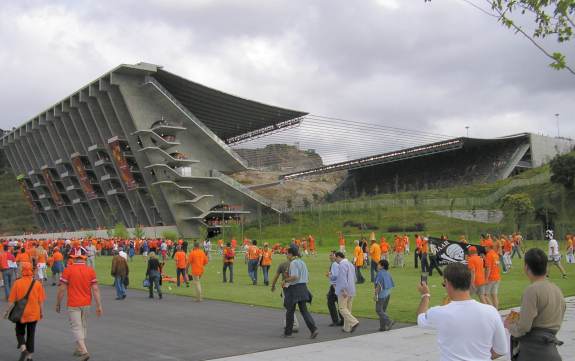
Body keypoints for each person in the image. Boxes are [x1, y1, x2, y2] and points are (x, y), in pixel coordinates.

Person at [417, 263, 508, 361]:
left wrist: (425, 295)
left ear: (447, 283)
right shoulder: (491, 312)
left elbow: (420, 318)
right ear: (470, 282)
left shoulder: (439, 313)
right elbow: (501, 350)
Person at [504, 248, 566, 361]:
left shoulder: (532, 290)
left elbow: (524, 327)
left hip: (534, 352)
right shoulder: (557, 289)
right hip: (551, 352)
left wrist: (510, 325)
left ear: (526, 267)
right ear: (546, 267)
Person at [56, 247, 103, 361]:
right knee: (83, 325)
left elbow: (62, 289)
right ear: (84, 258)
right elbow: (95, 289)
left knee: (76, 326)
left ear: (73, 258)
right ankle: (79, 348)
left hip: (73, 303)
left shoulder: (68, 270)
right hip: (86, 302)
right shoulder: (90, 270)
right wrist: (99, 305)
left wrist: (58, 303)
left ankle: (84, 351)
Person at [3, 262, 45, 361]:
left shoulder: (17, 283)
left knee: (19, 331)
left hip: (21, 313)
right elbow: (41, 301)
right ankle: (29, 357)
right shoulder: (37, 283)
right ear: (32, 271)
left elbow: (12, 301)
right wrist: (41, 312)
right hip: (34, 313)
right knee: (31, 334)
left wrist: (7, 311)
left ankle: (23, 348)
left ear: (22, 271)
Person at [282, 247, 318, 339]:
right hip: (303, 287)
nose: (286, 255)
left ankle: (288, 332)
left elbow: (295, 277)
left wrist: (285, 280)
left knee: (290, 310)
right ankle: (313, 329)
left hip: (294, 288)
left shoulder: (293, 263)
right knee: (304, 310)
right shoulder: (302, 262)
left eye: (287, 254)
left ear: (290, 254)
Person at [331, 252, 359, 333]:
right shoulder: (350, 264)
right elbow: (354, 278)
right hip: (351, 289)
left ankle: (354, 322)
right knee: (348, 309)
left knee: (342, 308)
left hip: (344, 290)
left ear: (339, 257)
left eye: (335, 258)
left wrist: (343, 290)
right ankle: (347, 328)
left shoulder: (342, 265)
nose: (335, 260)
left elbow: (342, 278)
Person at [271, 256, 300, 332]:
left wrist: (273, 286)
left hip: (286, 287)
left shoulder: (282, 264)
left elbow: (276, 276)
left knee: (288, 306)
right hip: (297, 287)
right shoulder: (298, 264)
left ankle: (293, 324)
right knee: (292, 306)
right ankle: (290, 324)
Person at [374, 259, 394, 331]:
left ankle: (389, 322)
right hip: (388, 294)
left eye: (378, 264)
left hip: (381, 295)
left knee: (378, 310)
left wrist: (376, 295)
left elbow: (379, 285)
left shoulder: (379, 274)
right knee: (383, 311)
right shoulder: (387, 273)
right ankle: (382, 327)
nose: (377, 265)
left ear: (382, 266)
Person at [326, 251, 343, 327]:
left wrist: (329, 275)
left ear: (335, 256)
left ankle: (336, 320)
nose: (330, 257)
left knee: (331, 302)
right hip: (337, 286)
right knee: (339, 303)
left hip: (335, 286)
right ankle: (342, 320)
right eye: (329, 255)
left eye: (331, 255)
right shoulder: (337, 264)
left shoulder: (334, 264)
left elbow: (335, 276)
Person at [484, 240, 502, 309]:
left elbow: (488, 268)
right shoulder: (495, 254)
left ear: (488, 247)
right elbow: (496, 265)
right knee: (494, 296)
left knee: (485, 295)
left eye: (485, 246)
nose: (484, 248)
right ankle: (496, 311)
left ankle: (492, 311)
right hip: (497, 277)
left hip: (491, 278)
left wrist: (486, 279)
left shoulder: (489, 255)